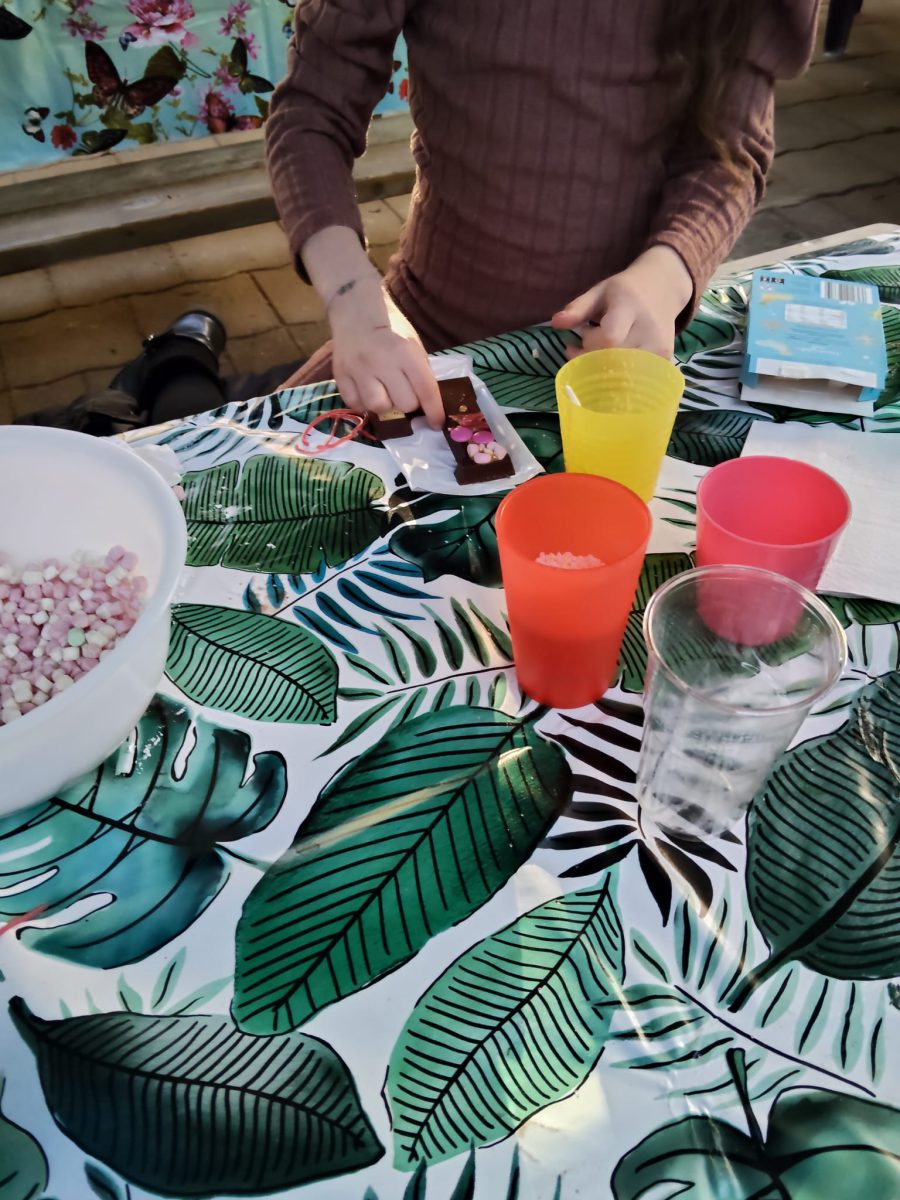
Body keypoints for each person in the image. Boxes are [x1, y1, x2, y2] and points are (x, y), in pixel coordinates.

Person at [267, 0, 818, 427]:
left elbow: (730, 155)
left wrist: (664, 278)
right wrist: (356, 303)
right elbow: (311, 114)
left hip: (622, 359)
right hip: (429, 341)